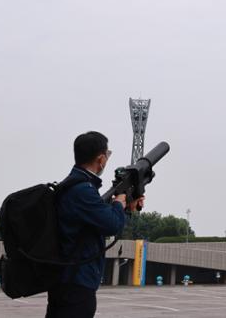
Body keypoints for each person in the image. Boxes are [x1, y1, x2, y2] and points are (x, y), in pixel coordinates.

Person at [46, 131, 144, 318]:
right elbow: (111, 225)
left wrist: (127, 207)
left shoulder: (76, 185)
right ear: (100, 159)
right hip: (76, 282)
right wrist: (119, 202)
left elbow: (98, 219)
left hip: (67, 279)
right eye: (107, 155)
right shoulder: (83, 190)